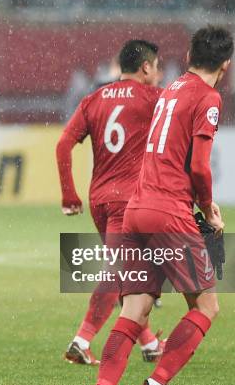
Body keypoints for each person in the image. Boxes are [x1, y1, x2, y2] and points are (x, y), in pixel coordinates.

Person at [90, 25, 233, 385]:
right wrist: (208, 209)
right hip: (169, 211)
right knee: (205, 305)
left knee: (134, 309)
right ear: (226, 64)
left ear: (187, 57)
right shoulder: (209, 97)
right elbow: (200, 166)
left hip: (136, 208)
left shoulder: (170, 88)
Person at [57, 40, 165, 366]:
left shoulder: (94, 98)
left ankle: (147, 343)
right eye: (157, 66)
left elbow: (63, 144)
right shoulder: (155, 99)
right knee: (120, 273)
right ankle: (81, 341)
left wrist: (68, 193)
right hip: (129, 201)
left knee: (127, 271)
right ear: (146, 67)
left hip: (99, 200)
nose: (158, 73)